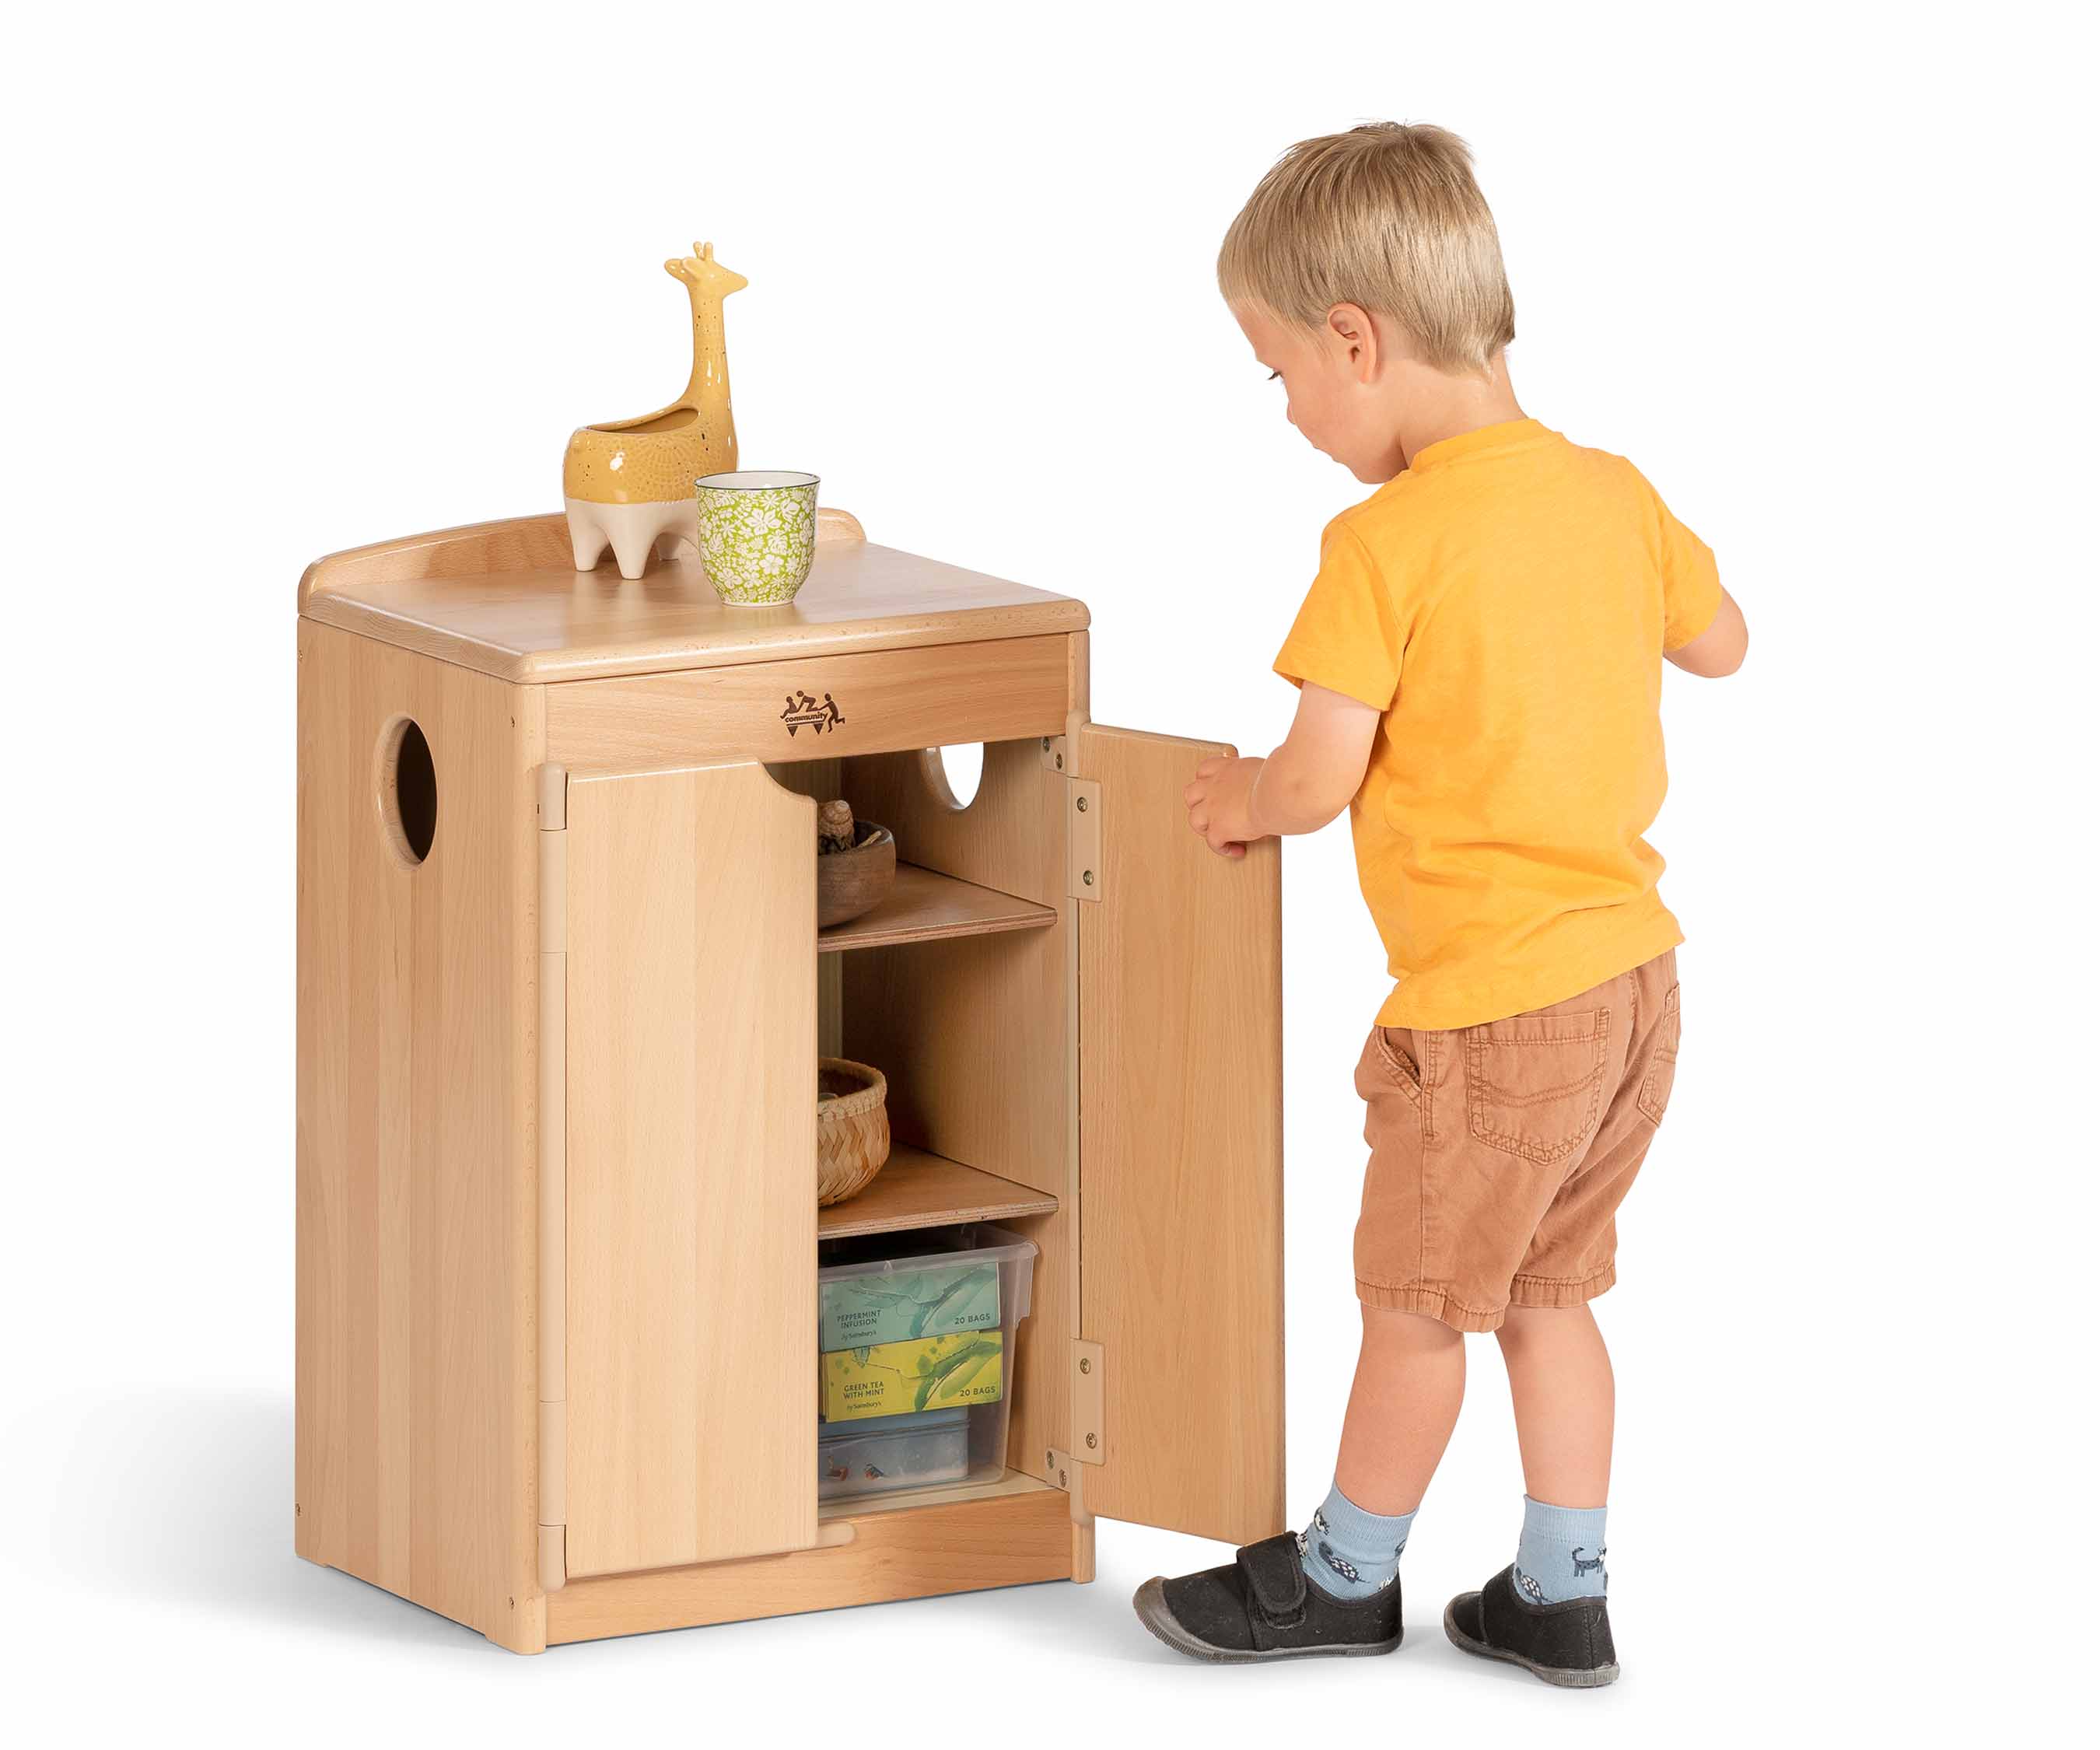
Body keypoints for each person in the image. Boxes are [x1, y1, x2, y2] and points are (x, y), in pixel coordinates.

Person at [1132, 121, 1747, 1686]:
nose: (1285, 410)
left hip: (1489, 1013)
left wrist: (1238, 799)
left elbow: (1319, 778)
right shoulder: (1609, 493)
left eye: (1278, 372)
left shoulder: (1382, 542)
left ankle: (1343, 1573)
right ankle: (1562, 1589)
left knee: (1412, 1306)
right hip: (1632, 991)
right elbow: (1725, 640)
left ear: (1359, 338)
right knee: (1553, 1291)